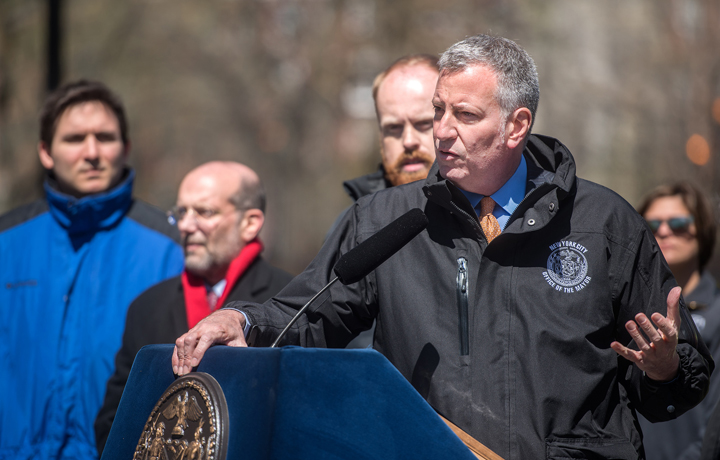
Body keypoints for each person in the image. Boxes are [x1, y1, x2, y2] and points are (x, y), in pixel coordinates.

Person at [172, 35, 713, 459]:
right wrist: (241, 321)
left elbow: (682, 380)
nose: (442, 132)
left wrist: (663, 369)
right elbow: (303, 317)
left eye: (466, 116)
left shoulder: (603, 223)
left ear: (516, 125)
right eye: (438, 111)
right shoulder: (385, 220)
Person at [0, 80, 184, 459]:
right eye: (74, 139)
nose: (92, 152)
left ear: (126, 148)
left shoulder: (172, 248)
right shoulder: (7, 241)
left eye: (105, 137)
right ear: (46, 152)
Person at [94, 161, 292, 454]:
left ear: (250, 223)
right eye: (181, 212)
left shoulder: (290, 305)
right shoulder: (147, 307)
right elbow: (114, 423)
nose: (186, 226)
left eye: (204, 212)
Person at [343, 54, 438, 348]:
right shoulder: (355, 223)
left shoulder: (490, 213)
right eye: (394, 128)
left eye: (424, 124)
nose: (408, 141)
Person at [637, 182, 719, 460]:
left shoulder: (717, 312)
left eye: (679, 222)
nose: (663, 231)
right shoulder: (629, 310)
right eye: (651, 224)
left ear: (702, 230)